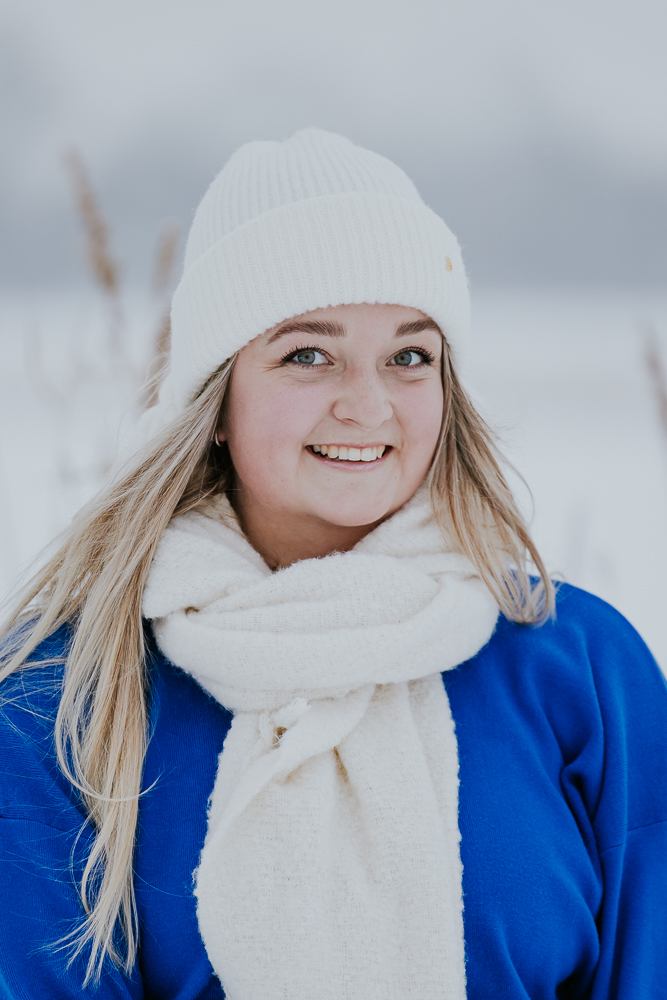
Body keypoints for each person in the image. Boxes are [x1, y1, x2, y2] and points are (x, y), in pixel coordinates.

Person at [1, 128, 666, 1000]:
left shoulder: (577, 667)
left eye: (409, 357)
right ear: (215, 403)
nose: (367, 403)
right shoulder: (67, 695)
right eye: (306, 354)